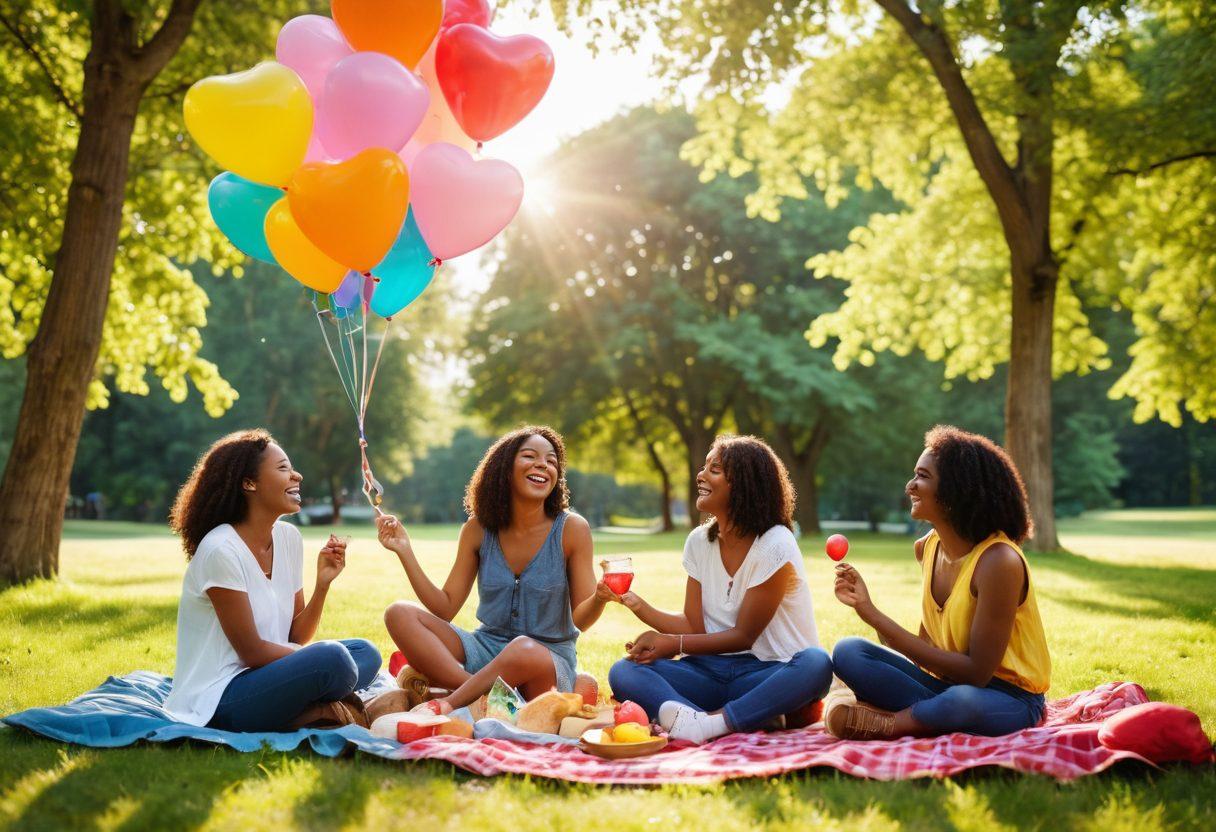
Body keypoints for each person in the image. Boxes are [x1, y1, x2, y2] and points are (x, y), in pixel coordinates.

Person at [828, 425, 1051, 740]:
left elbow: (977, 673)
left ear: (955, 492)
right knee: (849, 651)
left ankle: (888, 724)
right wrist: (867, 610)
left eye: (922, 476)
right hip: (947, 686)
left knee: (961, 701)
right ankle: (924, 716)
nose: (910, 486)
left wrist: (873, 614)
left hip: (1009, 698)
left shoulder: (999, 562)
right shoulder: (927, 547)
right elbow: (927, 650)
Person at [606, 435, 833, 744]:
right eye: (704, 466)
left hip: (769, 672)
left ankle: (714, 721)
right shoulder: (699, 542)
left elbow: (743, 636)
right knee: (625, 671)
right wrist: (639, 607)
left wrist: (674, 643)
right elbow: (694, 625)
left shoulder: (776, 543)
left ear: (743, 484)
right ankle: (734, 717)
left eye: (714, 469)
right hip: (708, 671)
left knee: (816, 663)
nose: (701, 474)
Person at [164, 430, 383, 731]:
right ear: (249, 483)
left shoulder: (288, 537)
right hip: (221, 696)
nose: (297, 476)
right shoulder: (221, 550)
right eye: (283, 469)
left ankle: (313, 710)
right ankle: (315, 711)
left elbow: (297, 636)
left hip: (271, 675)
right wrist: (314, 659)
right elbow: (252, 652)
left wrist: (322, 585)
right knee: (335, 659)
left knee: (364, 653)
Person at [379, 426, 607, 713]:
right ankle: (482, 697)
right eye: (530, 456)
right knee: (399, 614)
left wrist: (599, 597)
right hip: (485, 647)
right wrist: (405, 550)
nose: (543, 464)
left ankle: (452, 698)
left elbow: (581, 621)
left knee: (522, 647)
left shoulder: (572, 529)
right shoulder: (478, 529)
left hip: (544, 659)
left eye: (551, 461)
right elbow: (445, 607)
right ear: (504, 469)